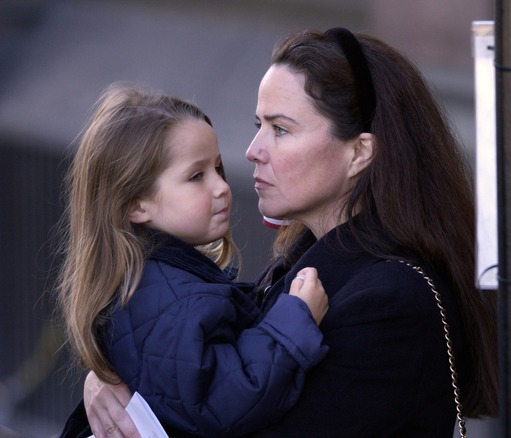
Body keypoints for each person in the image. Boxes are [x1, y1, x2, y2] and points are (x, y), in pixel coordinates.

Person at [83, 27, 498, 437]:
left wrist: (130, 399)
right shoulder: (305, 264)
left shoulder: (390, 303)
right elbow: (190, 364)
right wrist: (109, 376)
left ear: (359, 153)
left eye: (280, 129)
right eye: (258, 124)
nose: (252, 150)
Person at [57, 83, 330, 438]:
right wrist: (294, 321)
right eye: (196, 176)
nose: (221, 186)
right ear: (136, 205)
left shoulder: (157, 284)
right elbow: (225, 403)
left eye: (217, 168)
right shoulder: (173, 301)